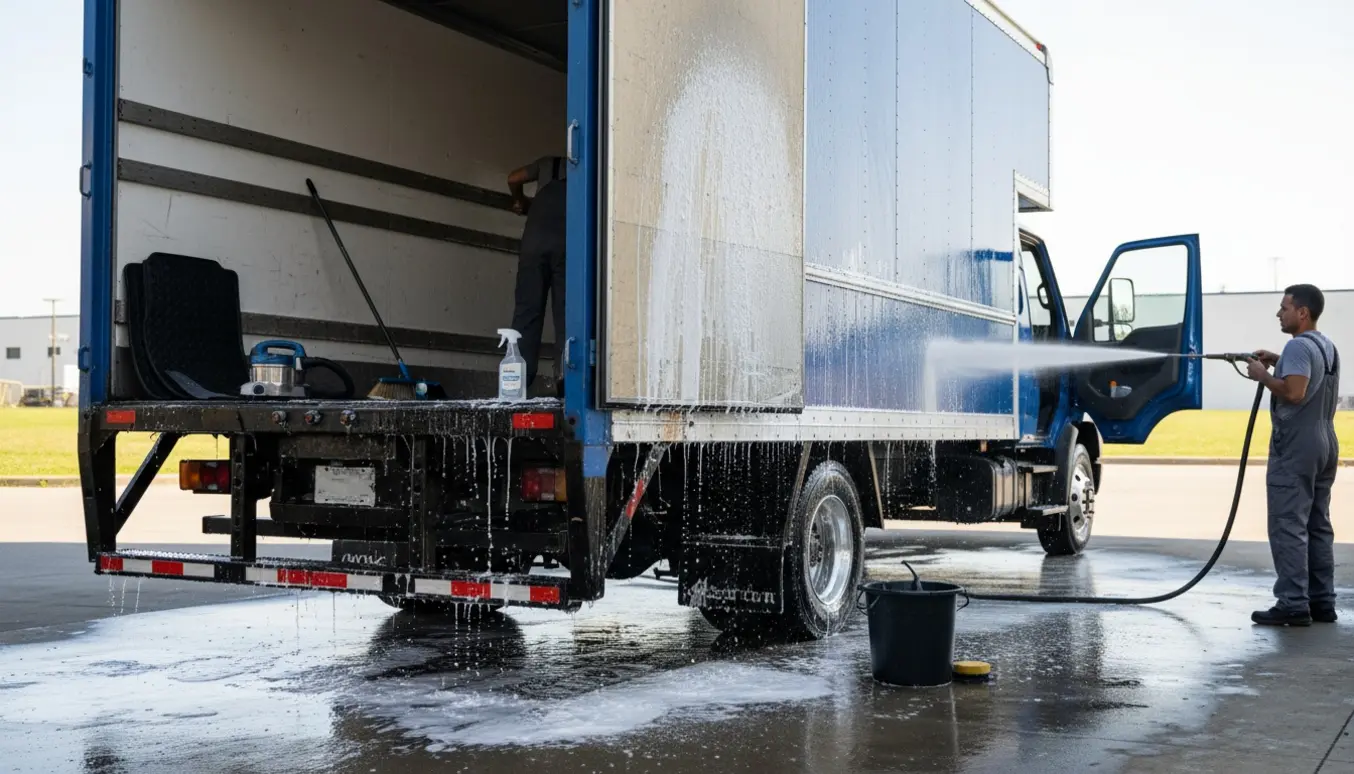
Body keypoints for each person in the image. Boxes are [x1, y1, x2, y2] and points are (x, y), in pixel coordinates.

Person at [1246, 283, 1341, 626]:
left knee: (1288, 524)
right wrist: (1279, 360)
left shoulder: (1298, 347)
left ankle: (1292, 603)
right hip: (1325, 441)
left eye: (1284, 308)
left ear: (1302, 313)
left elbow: (1295, 392)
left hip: (1297, 445)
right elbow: (1306, 378)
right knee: (1317, 525)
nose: (1279, 313)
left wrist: (1262, 376)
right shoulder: (1325, 345)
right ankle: (1322, 602)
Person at [507, 155, 568, 396]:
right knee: (566, 313)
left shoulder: (546, 164)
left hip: (534, 245)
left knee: (527, 312)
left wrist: (520, 200)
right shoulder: (586, 164)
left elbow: (513, 178)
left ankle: (516, 381)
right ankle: (565, 377)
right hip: (566, 243)